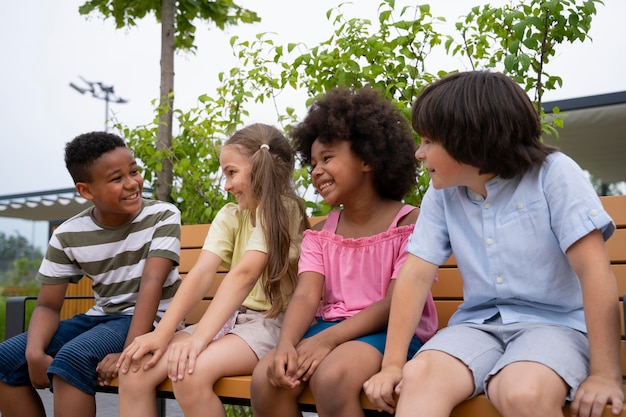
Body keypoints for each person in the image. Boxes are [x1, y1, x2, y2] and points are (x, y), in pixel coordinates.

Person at [363, 71, 625, 417]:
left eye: (428, 141)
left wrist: (606, 374)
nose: (418, 153)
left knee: (520, 390)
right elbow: (414, 274)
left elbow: (593, 272)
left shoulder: (554, 175)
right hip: (477, 327)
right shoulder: (442, 195)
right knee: (419, 376)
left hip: (555, 326)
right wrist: (393, 365)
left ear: (469, 140)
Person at [250, 87, 439, 417]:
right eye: (312, 164)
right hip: (331, 329)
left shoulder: (409, 222)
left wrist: (327, 341)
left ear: (367, 158)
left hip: (391, 332)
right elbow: (307, 297)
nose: (316, 171)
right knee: (267, 379)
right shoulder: (321, 233)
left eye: (327, 158)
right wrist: (285, 345)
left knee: (332, 377)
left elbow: (395, 301)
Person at [115, 123, 309, 417]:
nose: (227, 185)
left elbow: (245, 274)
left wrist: (198, 339)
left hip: (274, 323)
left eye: (232, 172)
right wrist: (162, 334)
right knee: (135, 369)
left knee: (189, 372)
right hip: (234, 321)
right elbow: (202, 273)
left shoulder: (284, 210)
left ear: (260, 168)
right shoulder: (231, 214)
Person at [0, 131, 182, 417]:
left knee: (72, 359)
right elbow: (48, 305)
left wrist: (129, 350)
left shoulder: (162, 215)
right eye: (116, 178)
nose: (132, 183)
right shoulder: (69, 234)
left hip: (151, 319)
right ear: (86, 191)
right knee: (6, 359)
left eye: (133, 171)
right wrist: (34, 352)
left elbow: (152, 283)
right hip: (101, 317)